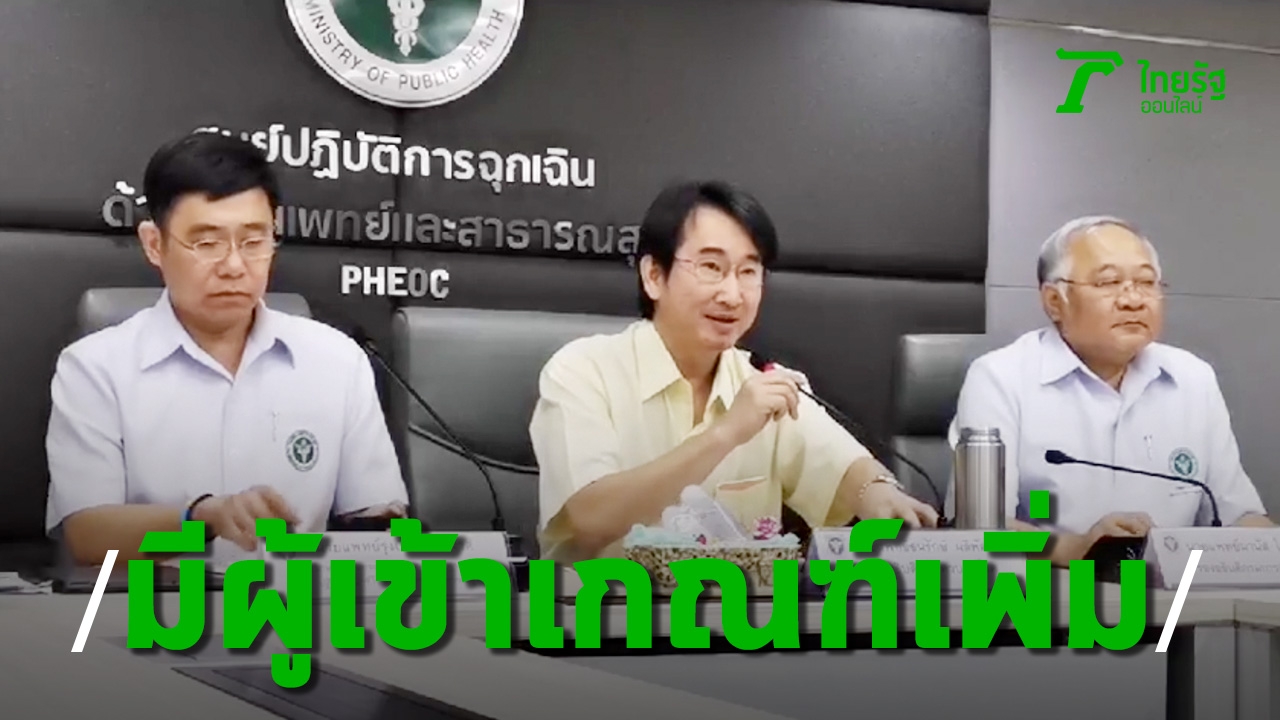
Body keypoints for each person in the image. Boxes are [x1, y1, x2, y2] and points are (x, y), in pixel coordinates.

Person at [45, 132, 408, 566]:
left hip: (296, 603)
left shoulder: (337, 360)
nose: (235, 266)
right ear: (154, 244)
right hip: (153, 603)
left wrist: (384, 533)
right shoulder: (94, 368)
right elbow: (87, 534)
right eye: (207, 243)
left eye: (254, 242)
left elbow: (376, 513)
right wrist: (201, 518)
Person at [530, 180, 938, 562]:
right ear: (654, 276)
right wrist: (725, 433)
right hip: (601, 612)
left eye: (748, 272)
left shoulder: (763, 383)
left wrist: (880, 493)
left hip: (738, 614)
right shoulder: (582, 371)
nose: (732, 295)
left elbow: (845, 467)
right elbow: (589, 520)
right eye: (711, 267)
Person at [949, 215, 1271, 564]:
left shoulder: (1193, 378)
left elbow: (1238, 516)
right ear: (1055, 301)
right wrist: (1075, 548)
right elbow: (978, 527)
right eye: (1109, 282)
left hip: (1169, 595)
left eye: (1146, 282)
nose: (1133, 300)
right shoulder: (1000, 378)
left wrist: (1268, 547)